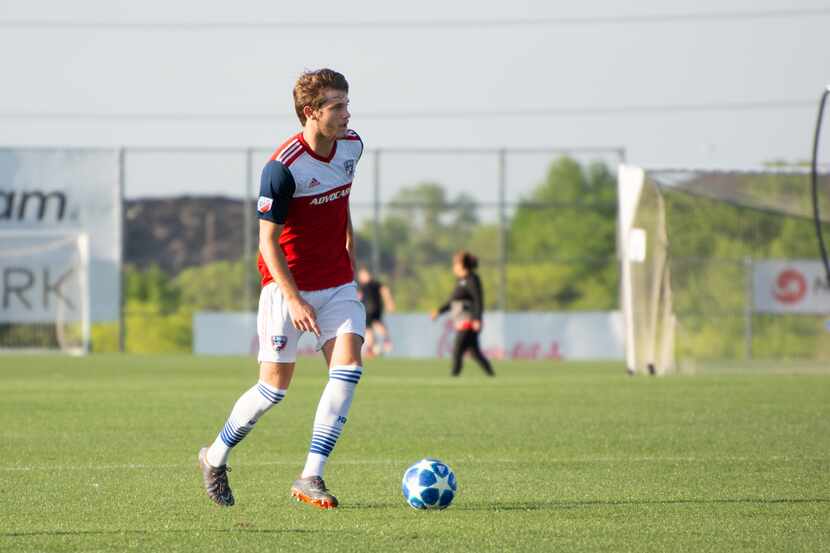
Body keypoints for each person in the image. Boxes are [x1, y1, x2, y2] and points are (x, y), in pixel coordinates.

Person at [198, 68, 365, 510]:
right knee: (273, 390)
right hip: (286, 288)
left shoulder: (353, 147)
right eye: (338, 106)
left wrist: (350, 249)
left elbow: (342, 199)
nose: (347, 113)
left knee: (347, 371)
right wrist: (292, 298)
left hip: (338, 284)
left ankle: (311, 475)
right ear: (311, 112)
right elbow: (266, 242)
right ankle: (215, 457)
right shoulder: (282, 168)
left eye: (347, 103)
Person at [431, 251, 495, 377]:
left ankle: (454, 376)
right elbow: (452, 302)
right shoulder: (461, 281)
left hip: (469, 321)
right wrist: (439, 311)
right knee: (475, 353)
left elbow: (478, 300)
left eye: (455, 264)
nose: (453, 267)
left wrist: (477, 319)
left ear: (462, 265)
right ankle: (491, 375)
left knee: (457, 349)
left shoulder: (472, 279)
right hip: (461, 321)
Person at [356, 266, 396, 357]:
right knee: (371, 327)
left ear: (366, 274)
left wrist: (389, 302)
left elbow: (384, 290)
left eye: (362, 275)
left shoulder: (373, 284)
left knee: (371, 327)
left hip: (371, 308)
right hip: (367, 309)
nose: (361, 277)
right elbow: (358, 296)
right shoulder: (362, 286)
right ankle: (375, 346)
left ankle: (379, 344)